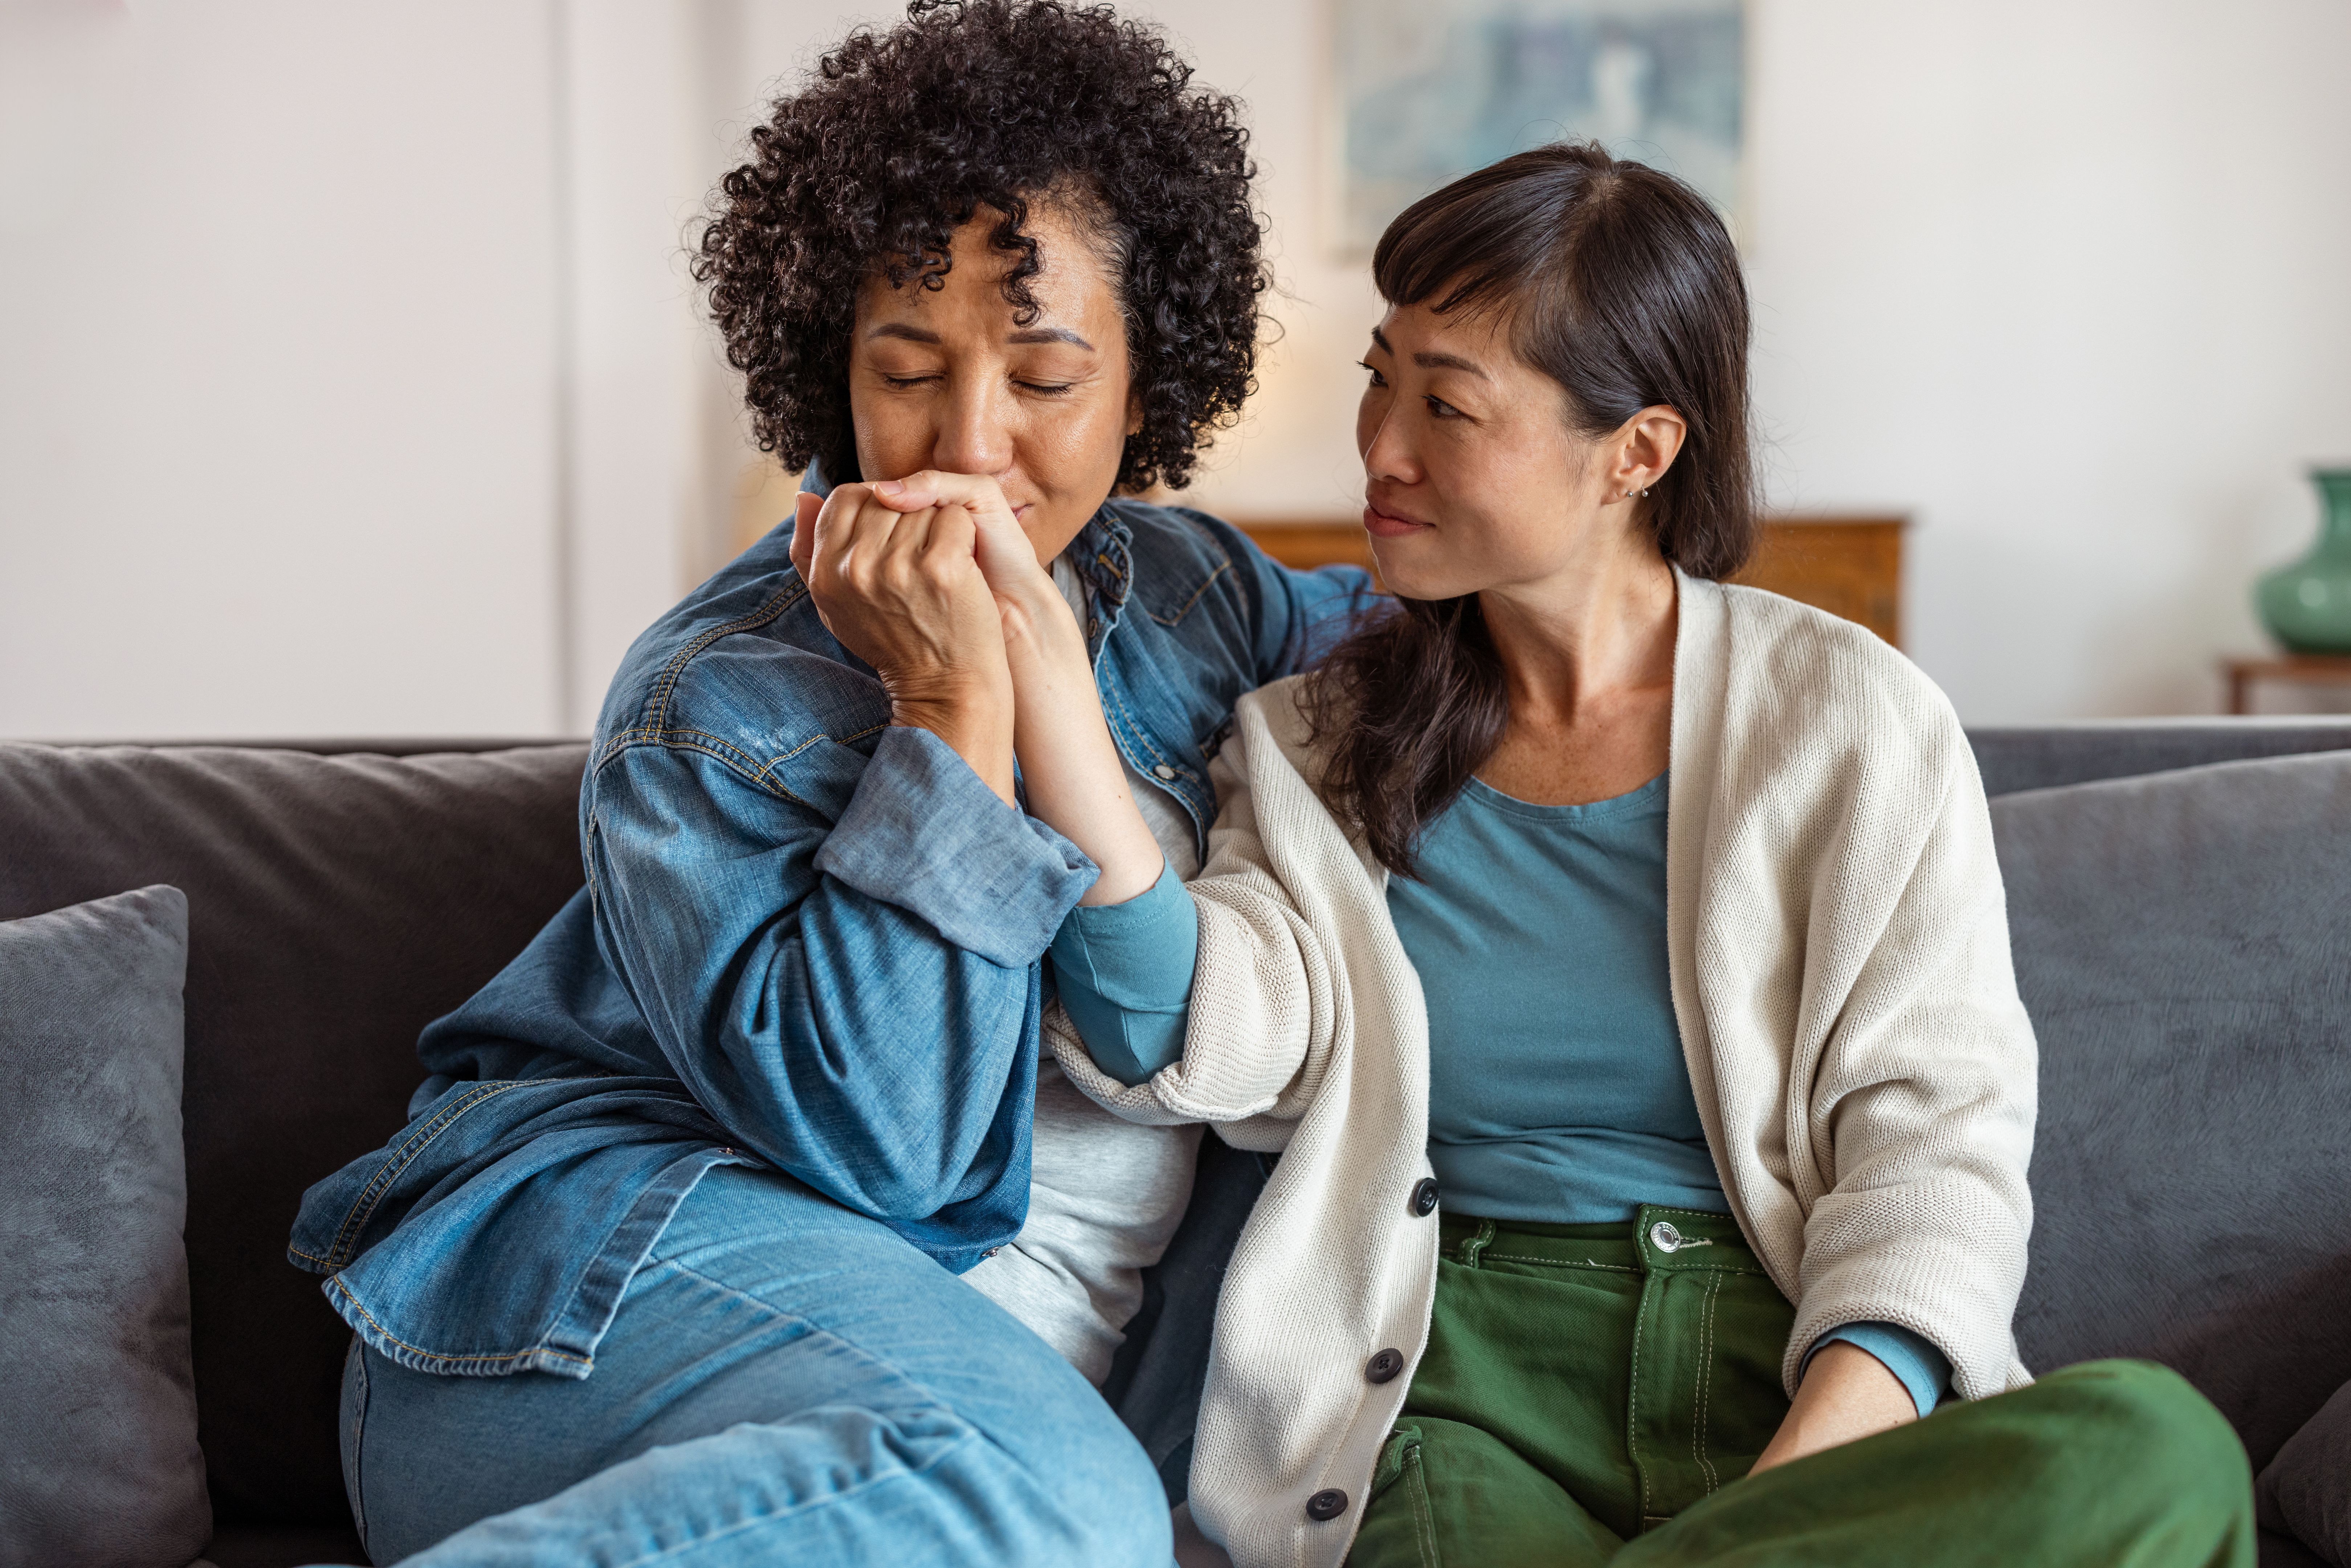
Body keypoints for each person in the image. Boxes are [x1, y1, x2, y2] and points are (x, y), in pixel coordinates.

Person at [1023, 143, 2255, 1567]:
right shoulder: (1315, 745)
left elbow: (1933, 1155)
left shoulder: (1854, 722)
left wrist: (1784, 1505)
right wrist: (1057, 713)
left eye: (1449, 404)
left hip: (1782, 1368)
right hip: (1453, 1386)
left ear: (1640, 452)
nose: (1382, 446)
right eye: (1381, 377)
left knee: (2154, 1450)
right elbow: (1201, 1040)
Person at [285, 4, 1365, 1563]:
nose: (968, 444)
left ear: (1151, 383)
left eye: (1046, 378)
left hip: (920, 1400)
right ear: (829, 371)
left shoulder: (1202, 601)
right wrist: (951, 702)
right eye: (905, 368)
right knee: (1053, 1501)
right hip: (575, 1320)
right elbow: (897, 1158)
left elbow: (1485, 655)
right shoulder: (712, 695)